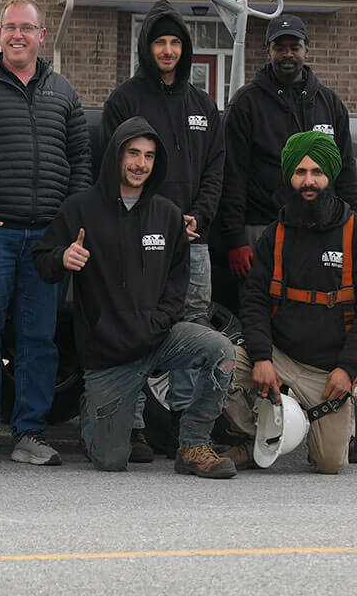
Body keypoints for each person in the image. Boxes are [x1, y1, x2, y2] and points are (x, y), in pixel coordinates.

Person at [33, 117, 237, 477]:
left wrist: (159, 322)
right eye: (133, 153)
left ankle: (192, 444)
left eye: (149, 156)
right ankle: (92, 410)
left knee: (221, 351)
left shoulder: (167, 214)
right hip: (108, 352)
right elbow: (42, 262)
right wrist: (62, 257)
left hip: (159, 338)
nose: (140, 163)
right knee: (111, 461)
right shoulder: (81, 209)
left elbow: (178, 281)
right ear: (116, 155)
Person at [0, 0, 92, 467]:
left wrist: (67, 223)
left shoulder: (62, 90)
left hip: (47, 238)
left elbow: (80, 160)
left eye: (27, 28)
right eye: (9, 27)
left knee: (39, 338)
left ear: (41, 35)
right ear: (0, 32)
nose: (17, 35)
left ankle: (31, 432)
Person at [101, 0, 225, 461]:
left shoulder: (203, 105)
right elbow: (114, 167)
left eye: (175, 42)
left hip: (193, 241)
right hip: (139, 239)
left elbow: (215, 168)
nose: (168, 50)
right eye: (160, 42)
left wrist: (199, 216)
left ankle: (182, 427)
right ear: (146, 47)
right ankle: (130, 427)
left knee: (193, 329)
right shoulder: (126, 101)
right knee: (134, 325)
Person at [223, 132, 357, 473]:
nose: (308, 181)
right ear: (289, 178)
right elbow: (253, 300)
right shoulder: (275, 234)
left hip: (328, 370)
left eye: (317, 172)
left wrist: (348, 369)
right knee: (217, 363)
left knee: (330, 464)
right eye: (300, 172)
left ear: (330, 176)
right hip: (279, 355)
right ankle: (252, 438)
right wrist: (261, 356)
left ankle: (333, 410)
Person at [220, 13, 357, 287]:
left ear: (306, 49)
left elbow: (346, 170)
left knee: (314, 307)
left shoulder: (329, 103)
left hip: (321, 227)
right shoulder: (246, 104)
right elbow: (232, 175)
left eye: (294, 47)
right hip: (263, 227)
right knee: (262, 309)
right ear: (267, 51)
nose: (287, 54)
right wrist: (236, 239)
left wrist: (354, 226)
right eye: (279, 48)